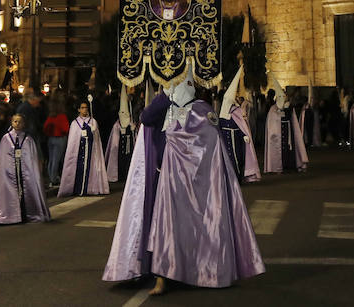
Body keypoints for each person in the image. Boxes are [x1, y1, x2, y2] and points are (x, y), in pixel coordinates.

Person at [103, 73, 265, 294]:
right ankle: (163, 276)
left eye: (181, 84)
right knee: (166, 228)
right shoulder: (164, 107)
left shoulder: (202, 109)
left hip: (198, 182)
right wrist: (165, 96)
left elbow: (213, 140)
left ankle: (204, 270)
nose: (178, 88)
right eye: (174, 85)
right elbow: (146, 118)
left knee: (201, 226)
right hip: (167, 179)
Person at [0, 113, 50, 224]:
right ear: (11, 122)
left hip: (25, 172)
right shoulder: (6, 139)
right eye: (15, 121)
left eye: (20, 121)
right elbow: (2, 160)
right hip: (11, 172)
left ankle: (27, 213)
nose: (17, 124)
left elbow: (31, 158)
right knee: (12, 190)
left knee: (26, 191)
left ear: (24, 124)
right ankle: (12, 214)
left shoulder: (28, 139)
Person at [218, 65, 261, 183]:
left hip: (237, 140)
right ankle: (229, 179)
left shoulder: (237, 111)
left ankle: (238, 177)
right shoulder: (222, 113)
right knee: (227, 159)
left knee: (238, 159)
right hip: (226, 142)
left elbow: (242, 124)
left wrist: (244, 135)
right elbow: (219, 127)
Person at [58, 99, 109, 197]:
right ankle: (77, 188)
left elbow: (97, 140)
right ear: (79, 110)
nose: (84, 110)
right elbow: (73, 141)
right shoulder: (74, 123)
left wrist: (93, 131)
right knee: (79, 169)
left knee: (91, 169)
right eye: (82, 108)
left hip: (90, 151)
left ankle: (90, 188)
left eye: (86, 108)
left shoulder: (93, 121)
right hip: (79, 152)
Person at [263, 78, 308, 174]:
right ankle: (278, 166)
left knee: (289, 147)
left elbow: (291, 118)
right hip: (277, 133)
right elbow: (272, 123)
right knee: (280, 149)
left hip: (288, 130)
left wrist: (287, 109)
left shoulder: (289, 107)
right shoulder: (273, 109)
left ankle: (290, 165)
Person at [105, 85, 136, 184]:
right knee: (120, 161)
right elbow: (114, 140)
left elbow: (135, 137)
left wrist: (133, 129)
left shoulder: (132, 123)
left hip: (129, 146)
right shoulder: (116, 126)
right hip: (120, 149)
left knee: (129, 160)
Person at [43, 98, 70, 187]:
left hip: (51, 139)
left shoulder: (50, 116)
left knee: (51, 159)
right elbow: (65, 129)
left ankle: (51, 177)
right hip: (60, 139)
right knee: (56, 159)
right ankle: (53, 178)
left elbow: (45, 127)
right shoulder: (62, 116)